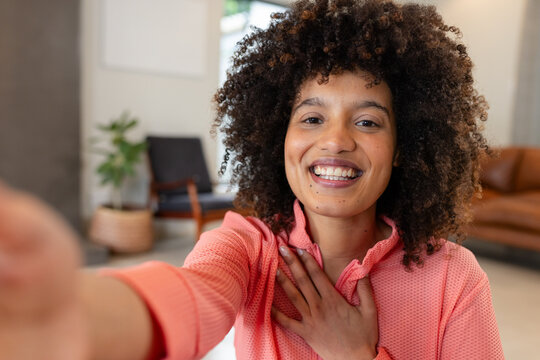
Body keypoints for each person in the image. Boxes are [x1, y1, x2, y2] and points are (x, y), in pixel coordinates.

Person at [0, 0, 504, 359]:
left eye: (368, 121)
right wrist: (65, 317)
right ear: (277, 138)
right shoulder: (246, 247)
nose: (335, 140)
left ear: (403, 150)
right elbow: (191, 297)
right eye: (311, 117)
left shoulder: (455, 279)